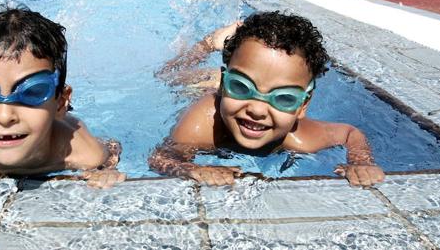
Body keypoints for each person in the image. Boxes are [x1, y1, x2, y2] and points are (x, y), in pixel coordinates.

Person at [150, 11, 384, 187]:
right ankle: (209, 44)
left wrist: (360, 161)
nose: (258, 110)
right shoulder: (202, 122)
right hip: (201, 87)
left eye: (283, 98)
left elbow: (350, 134)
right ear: (224, 85)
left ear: (303, 106)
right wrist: (190, 168)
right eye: (241, 87)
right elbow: (161, 157)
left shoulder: (301, 138)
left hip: (229, 82)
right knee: (167, 75)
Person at [0, 4, 125, 191]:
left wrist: (107, 170)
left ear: (61, 102)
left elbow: (111, 149)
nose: (5, 116)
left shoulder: (83, 152)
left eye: (32, 93)